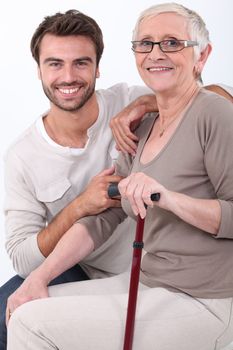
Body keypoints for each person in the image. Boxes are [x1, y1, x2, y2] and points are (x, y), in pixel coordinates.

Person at [6, 3, 233, 350]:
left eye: (172, 43)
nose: (157, 53)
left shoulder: (193, 112)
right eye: (146, 44)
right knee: (22, 307)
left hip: (206, 296)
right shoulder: (137, 129)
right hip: (143, 279)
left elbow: (211, 100)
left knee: (32, 325)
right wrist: (38, 277)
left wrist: (167, 198)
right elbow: (107, 215)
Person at [0, 9, 159, 350]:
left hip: (157, 264)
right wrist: (78, 207)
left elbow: (215, 99)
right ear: (39, 69)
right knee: (6, 314)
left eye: (81, 63)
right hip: (83, 267)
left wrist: (149, 102)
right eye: (55, 63)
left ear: (98, 67)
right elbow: (24, 259)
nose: (68, 77)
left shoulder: (130, 101)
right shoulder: (22, 156)